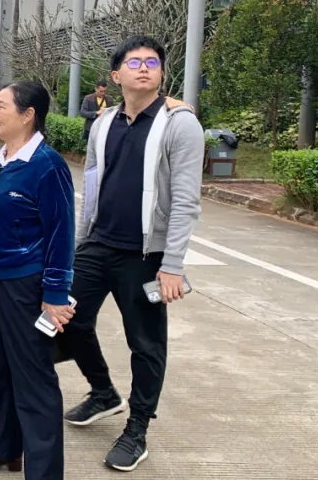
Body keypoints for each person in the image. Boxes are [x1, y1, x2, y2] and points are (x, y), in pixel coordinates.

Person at [56, 35, 204, 472]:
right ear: (116, 75)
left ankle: (137, 429)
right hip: (98, 244)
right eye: (134, 62)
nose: (143, 68)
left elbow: (186, 200)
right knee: (63, 319)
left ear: (162, 74)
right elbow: (92, 185)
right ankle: (103, 393)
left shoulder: (179, 124)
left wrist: (172, 265)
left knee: (145, 343)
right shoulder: (103, 123)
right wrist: (80, 243)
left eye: (152, 62)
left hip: (145, 255)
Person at [0, 80, 76, 479]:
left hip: (25, 286)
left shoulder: (47, 165)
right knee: (0, 370)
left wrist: (56, 293)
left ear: (27, 115)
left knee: (34, 379)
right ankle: (4, 448)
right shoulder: (1, 159)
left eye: (1, 106)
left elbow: (62, 234)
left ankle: (44, 473)